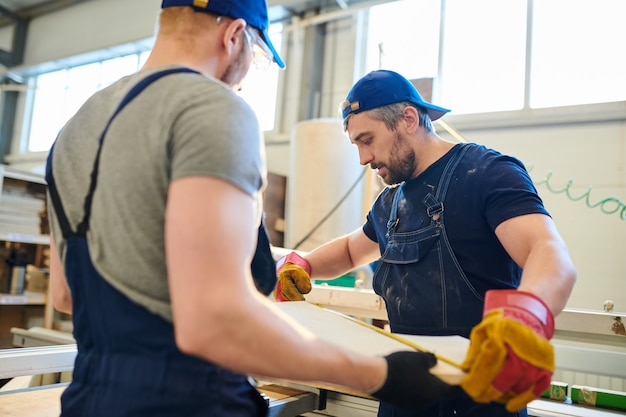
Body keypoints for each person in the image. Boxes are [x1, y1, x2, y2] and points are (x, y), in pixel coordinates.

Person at [45, 2, 456, 416]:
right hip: (189, 401)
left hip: (88, 399)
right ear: (234, 35)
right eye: (256, 57)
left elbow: (64, 295)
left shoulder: (75, 128)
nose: (245, 78)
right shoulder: (212, 108)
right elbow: (218, 319)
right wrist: (378, 374)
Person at [275, 69, 577, 417]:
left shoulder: (486, 173)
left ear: (407, 119)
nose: (362, 159)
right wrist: (305, 264)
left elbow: (548, 251)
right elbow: (349, 251)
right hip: (404, 391)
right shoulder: (390, 203)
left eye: (368, 140)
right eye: (356, 144)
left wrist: (526, 319)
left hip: (479, 398)